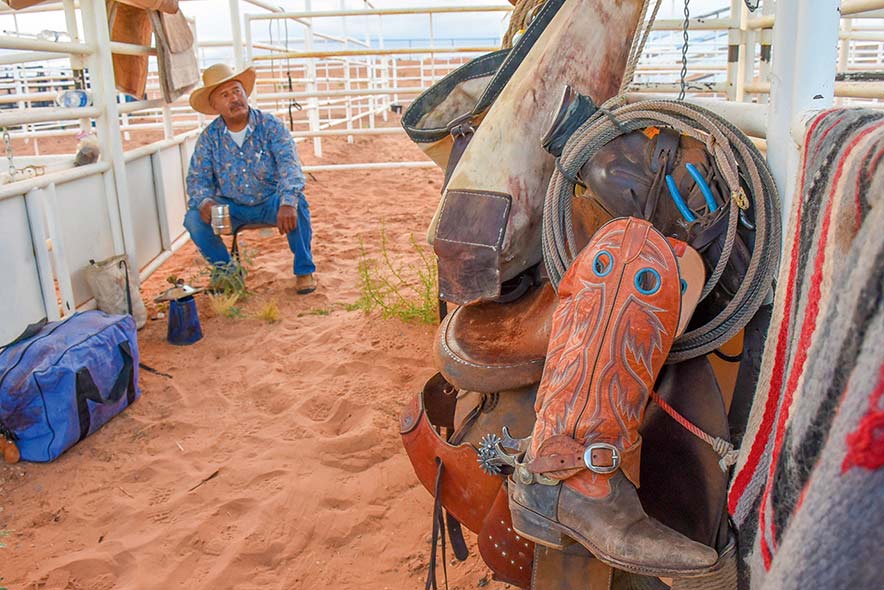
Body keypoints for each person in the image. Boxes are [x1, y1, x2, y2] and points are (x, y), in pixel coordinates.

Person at [184, 63, 316, 294]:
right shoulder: (209, 138)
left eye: (237, 91)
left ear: (246, 94)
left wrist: (287, 201)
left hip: (270, 201)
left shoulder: (271, 126)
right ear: (215, 106)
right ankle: (229, 273)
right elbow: (197, 179)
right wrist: (205, 202)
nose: (234, 99)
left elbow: (290, 166)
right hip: (231, 207)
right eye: (224, 95)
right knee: (194, 219)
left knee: (298, 204)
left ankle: (304, 270)